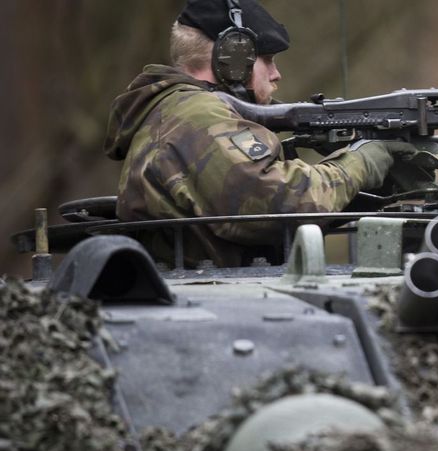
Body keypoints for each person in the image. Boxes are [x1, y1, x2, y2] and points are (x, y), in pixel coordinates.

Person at [103, 0, 417, 267]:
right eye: (266, 58)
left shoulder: (181, 111)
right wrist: (362, 161)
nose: (276, 73)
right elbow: (285, 203)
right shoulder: (196, 115)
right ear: (233, 57)